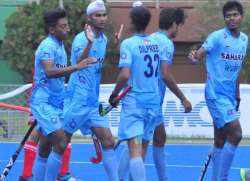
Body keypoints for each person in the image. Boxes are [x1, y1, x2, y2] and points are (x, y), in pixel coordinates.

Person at [117, 4, 192, 181]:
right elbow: (165, 75)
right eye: (180, 25)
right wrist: (183, 98)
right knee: (140, 147)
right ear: (174, 24)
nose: (179, 30)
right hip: (151, 101)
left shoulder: (149, 38)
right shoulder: (165, 44)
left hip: (142, 99)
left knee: (147, 141)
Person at [29, 8, 96, 181]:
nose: (67, 29)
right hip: (43, 103)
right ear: (52, 29)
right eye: (63, 26)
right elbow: (50, 71)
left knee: (44, 149)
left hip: (57, 103)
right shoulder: (47, 46)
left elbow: (76, 64)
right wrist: (76, 67)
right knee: (60, 142)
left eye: (67, 25)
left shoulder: (59, 45)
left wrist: (89, 44)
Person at [188, 1, 248, 180]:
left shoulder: (244, 40)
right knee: (236, 134)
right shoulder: (217, 37)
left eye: (235, 15)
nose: (231, 18)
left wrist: (237, 94)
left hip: (230, 96)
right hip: (215, 95)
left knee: (220, 140)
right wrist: (194, 56)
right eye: (228, 16)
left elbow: (236, 69)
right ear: (225, 18)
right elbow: (198, 54)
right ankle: (223, 178)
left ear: (241, 16)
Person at [63, 1, 119, 180]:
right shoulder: (81, 39)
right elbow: (78, 64)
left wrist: (116, 44)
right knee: (60, 142)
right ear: (89, 17)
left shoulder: (104, 39)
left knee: (109, 141)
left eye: (104, 15)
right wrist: (88, 44)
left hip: (93, 102)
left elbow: (99, 60)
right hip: (77, 100)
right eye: (98, 15)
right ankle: (56, 174)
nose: (102, 19)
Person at [109, 4, 163, 181]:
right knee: (140, 151)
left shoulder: (129, 44)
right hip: (153, 102)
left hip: (135, 103)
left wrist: (114, 94)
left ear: (132, 22)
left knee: (134, 150)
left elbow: (125, 75)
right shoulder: (155, 43)